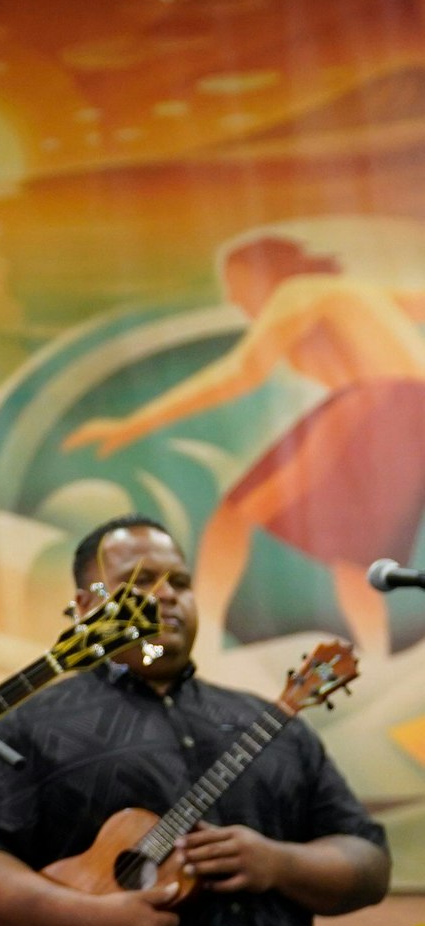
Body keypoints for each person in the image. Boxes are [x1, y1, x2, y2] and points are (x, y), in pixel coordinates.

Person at [0, 514, 390, 926]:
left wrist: (280, 862)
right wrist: (90, 919)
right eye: (140, 581)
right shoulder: (27, 726)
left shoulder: (275, 726)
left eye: (181, 583)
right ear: (88, 606)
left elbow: (368, 860)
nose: (167, 595)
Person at [65, 219, 425, 659]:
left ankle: (204, 633)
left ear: (265, 273)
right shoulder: (354, 296)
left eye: (237, 285)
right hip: (412, 424)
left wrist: (131, 424)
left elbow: (239, 373)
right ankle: (376, 653)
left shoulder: (298, 291)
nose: (234, 299)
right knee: (353, 556)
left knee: (234, 516)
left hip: (379, 403)